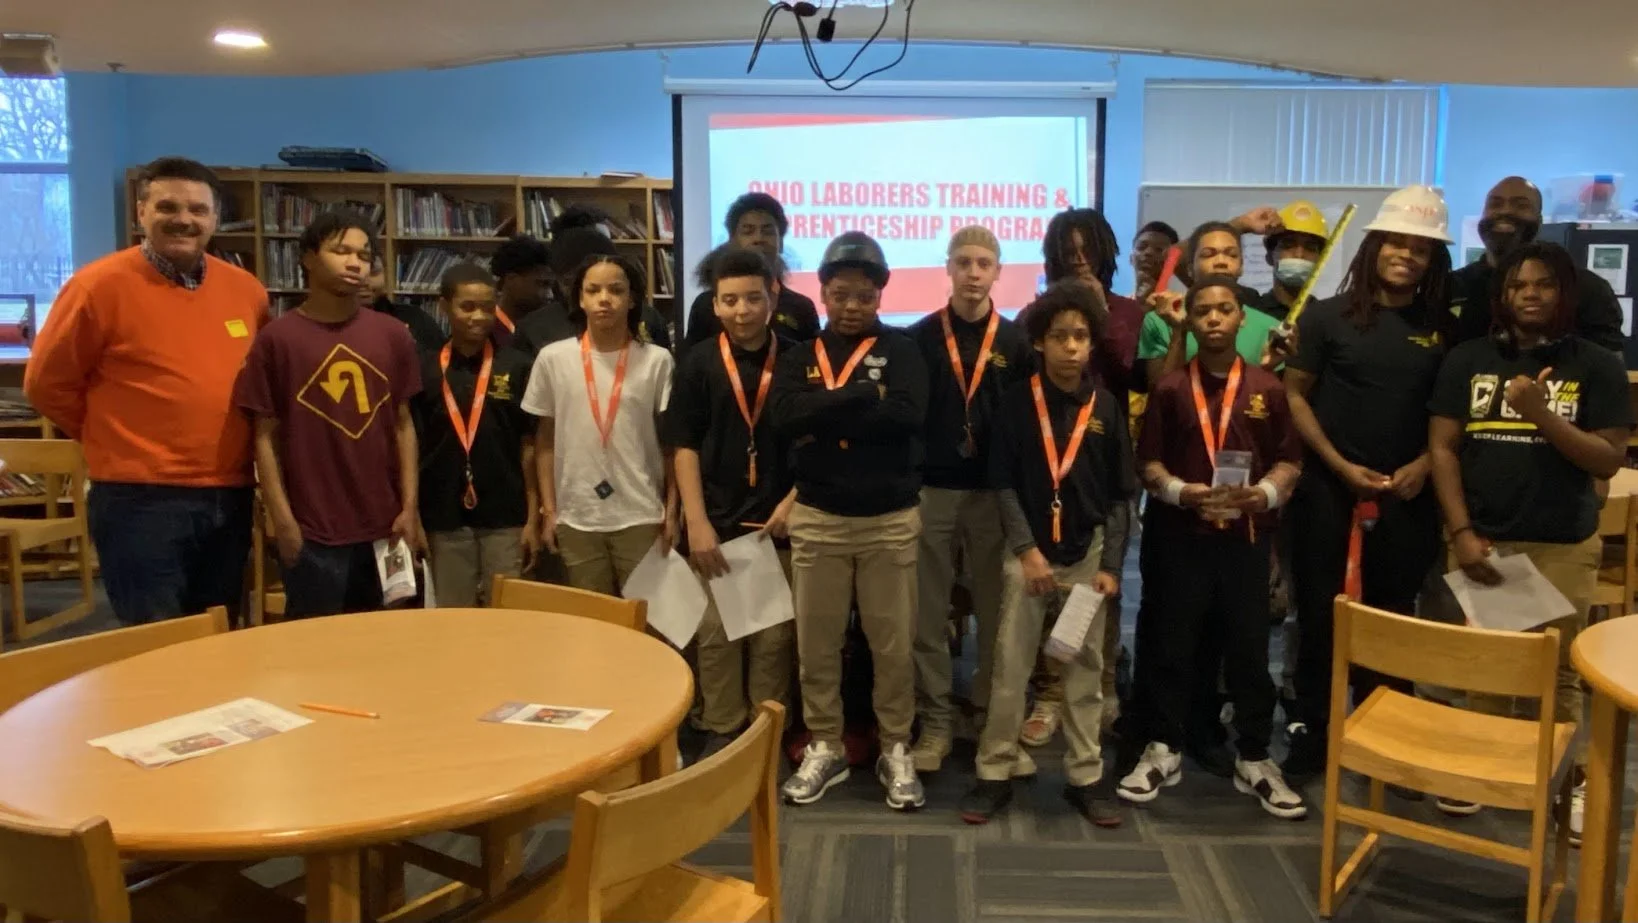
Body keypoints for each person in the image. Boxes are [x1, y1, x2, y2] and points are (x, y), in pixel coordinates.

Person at [1428, 241, 1631, 833]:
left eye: (1543, 284)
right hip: (1486, 539)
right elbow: (1443, 449)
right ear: (1503, 296)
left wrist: (1542, 414)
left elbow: (1606, 460)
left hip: (1562, 544)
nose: (1531, 294)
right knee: (1493, 662)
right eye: (1519, 286)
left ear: (1565, 293)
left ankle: (1560, 779)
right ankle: (1487, 767)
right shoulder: (1468, 359)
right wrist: (1461, 532)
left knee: (1559, 673)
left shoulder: (1595, 364)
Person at [24, 156, 268, 625]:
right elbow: (46, 385)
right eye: (168, 206)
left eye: (198, 209)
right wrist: (115, 438)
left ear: (216, 218)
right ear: (141, 213)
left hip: (229, 494)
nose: (184, 219)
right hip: (140, 501)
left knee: (220, 633)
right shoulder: (96, 287)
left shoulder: (247, 291)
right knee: (155, 643)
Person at [1281, 185, 1455, 780]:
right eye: (1397, 244)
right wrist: (1337, 464)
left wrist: (1424, 467)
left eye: (1422, 250)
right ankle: (1314, 730)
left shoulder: (1443, 330)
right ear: (1375, 245)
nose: (1407, 256)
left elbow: (1450, 418)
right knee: (1321, 613)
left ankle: (1389, 736)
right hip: (1329, 493)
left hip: (1407, 497)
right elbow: (1294, 397)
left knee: (1392, 616)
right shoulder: (1326, 317)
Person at [1119, 274, 1306, 819]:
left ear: (1242, 318)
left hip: (1247, 540)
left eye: (1225, 309)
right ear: (1192, 321)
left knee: (1249, 649)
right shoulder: (1172, 388)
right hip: (1182, 539)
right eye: (1204, 312)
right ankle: (1163, 747)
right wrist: (1185, 493)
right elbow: (1148, 464)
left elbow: (1290, 463)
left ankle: (1254, 755)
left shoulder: (1268, 390)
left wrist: (1264, 494)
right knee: (1173, 644)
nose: (1216, 319)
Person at [960, 280, 1135, 827]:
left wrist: (1109, 567)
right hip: (1028, 556)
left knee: (1083, 669)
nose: (1071, 347)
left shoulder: (1106, 406)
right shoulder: (1017, 404)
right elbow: (1005, 486)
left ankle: (1086, 775)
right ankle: (994, 771)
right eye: (1059, 336)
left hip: (1086, 557)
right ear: (1039, 342)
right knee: (1011, 667)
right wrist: (1027, 552)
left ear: (1092, 343)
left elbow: (1121, 496)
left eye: (1081, 336)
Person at [770, 231, 929, 811]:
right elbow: (783, 417)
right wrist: (862, 396)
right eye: (841, 295)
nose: (852, 306)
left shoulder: (906, 350)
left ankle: (894, 747)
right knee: (817, 644)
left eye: (864, 295)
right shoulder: (799, 354)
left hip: (888, 520)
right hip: (818, 518)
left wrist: (827, 416)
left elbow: (907, 419)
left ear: (881, 294)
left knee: (891, 645)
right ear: (823, 292)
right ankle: (826, 744)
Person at [234, 209, 424, 618]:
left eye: (364, 254)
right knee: (316, 655)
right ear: (307, 258)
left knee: (387, 648)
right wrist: (282, 520)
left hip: (384, 528)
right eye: (341, 250)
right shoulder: (277, 340)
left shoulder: (392, 336)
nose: (355, 262)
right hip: (313, 531)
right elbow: (264, 436)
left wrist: (410, 507)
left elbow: (404, 425)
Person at [905, 226, 1031, 772]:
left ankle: (987, 716)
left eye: (984, 263)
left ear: (999, 272)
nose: (974, 273)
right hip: (932, 492)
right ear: (949, 269)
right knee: (926, 615)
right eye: (964, 262)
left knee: (994, 613)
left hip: (991, 497)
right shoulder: (918, 338)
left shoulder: (1017, 344)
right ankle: (934, 720)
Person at [1019, 206, 1144, 751]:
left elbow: (1127, 373)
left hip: (1105, 459)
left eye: (1086, 249)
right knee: (1049, 589)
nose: (1077, 259)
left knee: (1104, 583)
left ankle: (1105, 688)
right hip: (1046, 468)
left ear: (1104, 253)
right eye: (1067, 252)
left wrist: (1099, 313)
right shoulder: (1035, 314)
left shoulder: (1131, 312)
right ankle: (1047, 693)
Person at [667, 246, 797, 756]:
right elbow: (684, 445)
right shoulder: (698, 362)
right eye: (729, 301)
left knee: (773, 639)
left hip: (777, 522)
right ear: (714, 305)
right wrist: (694, 522)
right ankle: (721, 726)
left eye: (752, 298)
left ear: (773, 297)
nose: (741, 311)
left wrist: (793, 502)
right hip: (716, 521)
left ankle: (765, 729)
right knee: (717, 635)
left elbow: (815, 443)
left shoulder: (797, 358)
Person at [521, 252, 675, 594]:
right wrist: (549, 511)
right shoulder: (553, 359)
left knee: (647, 621)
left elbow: (671, 446)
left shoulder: (656, 361)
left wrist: (673, 511)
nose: (604, 299)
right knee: (592, 627)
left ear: (632, 298)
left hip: (641, 513)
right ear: (580, 298)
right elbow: (543, 442)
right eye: (593, 290)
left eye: (616, 290)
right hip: (576, 516)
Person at [413, 263, 539, 607]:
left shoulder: (517, 365)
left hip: (506, 516)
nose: (478, 317)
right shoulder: (424, 368)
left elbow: (529, 445)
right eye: (466, 307)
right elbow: (413, 446)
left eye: (486, 308)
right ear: (444, 306)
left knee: (508, 617)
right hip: (442, 516)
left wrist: (532, 516)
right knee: (455, 618)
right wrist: (413, 515)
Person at [1450, 176, 1624, 352]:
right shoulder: (1454, 287)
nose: (1505, 211)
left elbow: (1608, 369)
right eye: (1495, 204)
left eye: (1521, 205)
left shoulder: (1587, 289)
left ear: (1540, 222)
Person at [1137, 221, 1286, 389]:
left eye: (1231, 254)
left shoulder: (1269, 327)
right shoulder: (1159, 320)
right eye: (1208, 254)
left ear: (1241, 267)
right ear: (1190, 269)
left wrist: (1268, 367)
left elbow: (1268, 401)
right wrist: (1180, 332)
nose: (1221, 262)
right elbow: (1159, 398)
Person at [511, 208, 674, 359]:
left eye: (596, 284)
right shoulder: (534, 327)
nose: (580, 290)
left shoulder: (647, 318)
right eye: (569, 282)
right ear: (557, 278)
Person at [681, 192, 821, 349]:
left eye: (767, 231)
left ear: (780, 242)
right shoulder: (705, 306)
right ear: (732, 241)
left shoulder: (802, 308)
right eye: (748, 231)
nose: (758, 239)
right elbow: (690, 366)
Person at [1256, 201, 1330, 324]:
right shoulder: (1252, 312)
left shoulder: (1326, 318)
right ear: (1269, 256)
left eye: (1310, 248)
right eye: (1288, 245)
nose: (1299, 255)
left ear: (1320, 262)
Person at [362, 254, 444, 352]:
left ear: (386, 274)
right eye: (355, 273)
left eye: (373, 272)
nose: (364, 282)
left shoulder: (415, 319)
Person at [488, 234, 554, 351]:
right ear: (511, 280)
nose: (550, 295)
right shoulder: (483, 332)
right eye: (541, 284)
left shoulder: (548, 331)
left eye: (550, 286)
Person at [1130, 221, 1180, 301]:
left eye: (1159, 249)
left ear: (1172, 263)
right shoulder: (1118, 307)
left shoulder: (1180, 307)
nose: (1148, 252)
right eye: (1141, 247)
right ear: (1131, 258)